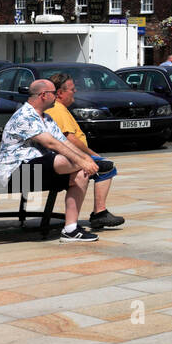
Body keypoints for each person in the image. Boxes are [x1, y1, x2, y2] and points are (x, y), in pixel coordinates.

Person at [0, 78, 100, 242]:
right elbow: (51, 143)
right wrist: (82, 162)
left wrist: (87, 158)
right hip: (15, 174)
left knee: (81, 175)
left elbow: (64, 142)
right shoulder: (25, 115)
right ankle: (83, 166)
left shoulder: (47, 118)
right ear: (44, 95)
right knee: (61, 160)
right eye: (53, 93)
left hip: (40, 169)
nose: (56, 96)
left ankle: (70, 229)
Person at [47, 73, 125, 229]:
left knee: (103, 166)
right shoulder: (58, 109)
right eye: (72, 89)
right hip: (68, 158)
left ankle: (98, 213)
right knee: (106, 167)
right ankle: (99, 213)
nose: (75, 91)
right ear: (60, 93)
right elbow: (69, 138)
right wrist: (91, 155)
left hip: (69, 157)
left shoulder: (59, 108)